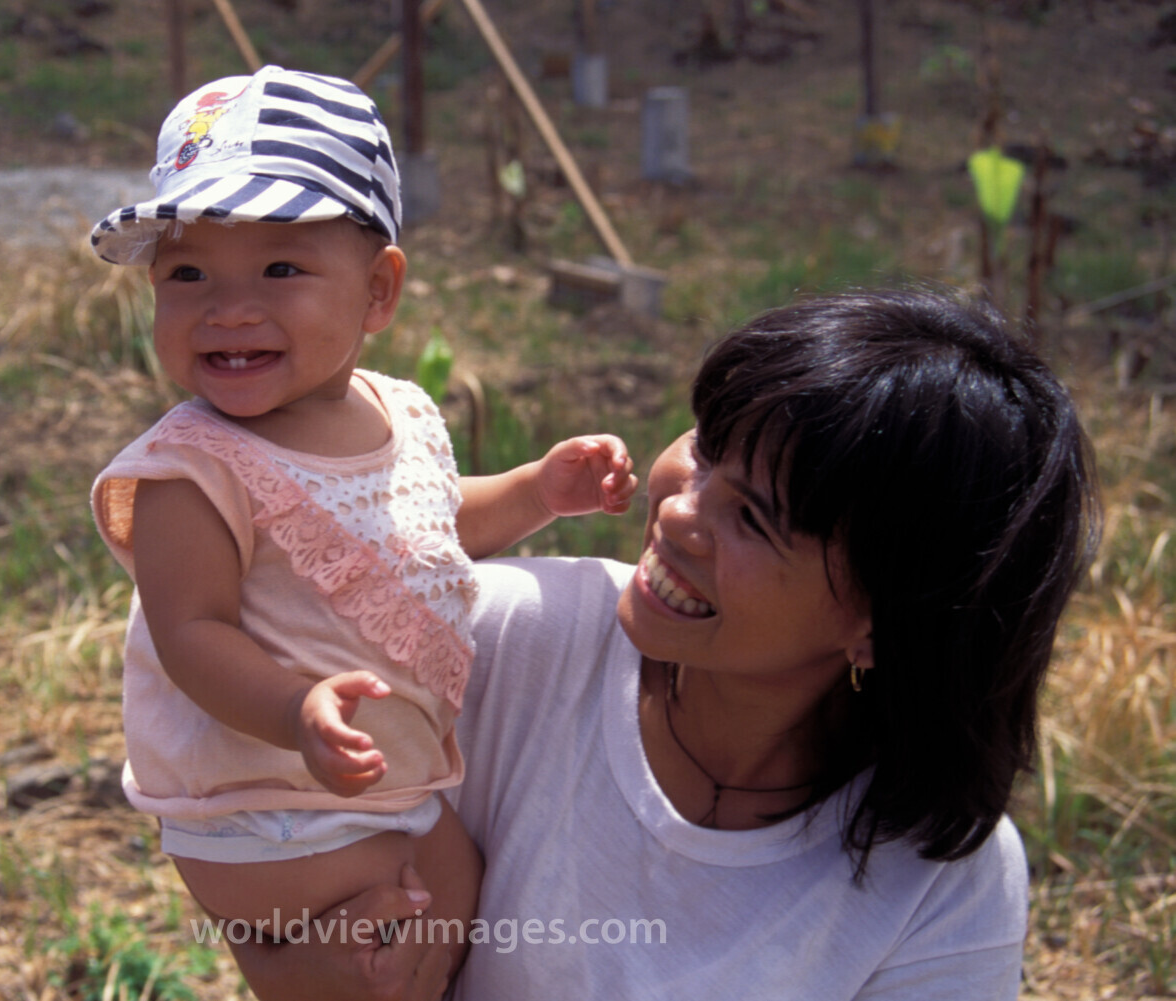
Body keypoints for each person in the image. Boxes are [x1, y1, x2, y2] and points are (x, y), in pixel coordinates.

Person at [228, 287, 1100, 1000]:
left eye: (754, 517)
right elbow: (240, 802)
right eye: (708, 446)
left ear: (885, 621)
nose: (682, 509)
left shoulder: (942, 880)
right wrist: (286, 967)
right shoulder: (501, 639)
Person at [86, 64, 637, 981]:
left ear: (379, 291)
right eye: (187, 272)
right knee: (367, 962)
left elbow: (416, 532)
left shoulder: (398, 414)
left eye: (279, 267)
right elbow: (191, 632)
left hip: (378, 791)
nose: (228, 307)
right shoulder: (192, 469)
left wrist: (538, 491)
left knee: (453, 899)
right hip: (263, 803)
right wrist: (292, 710)